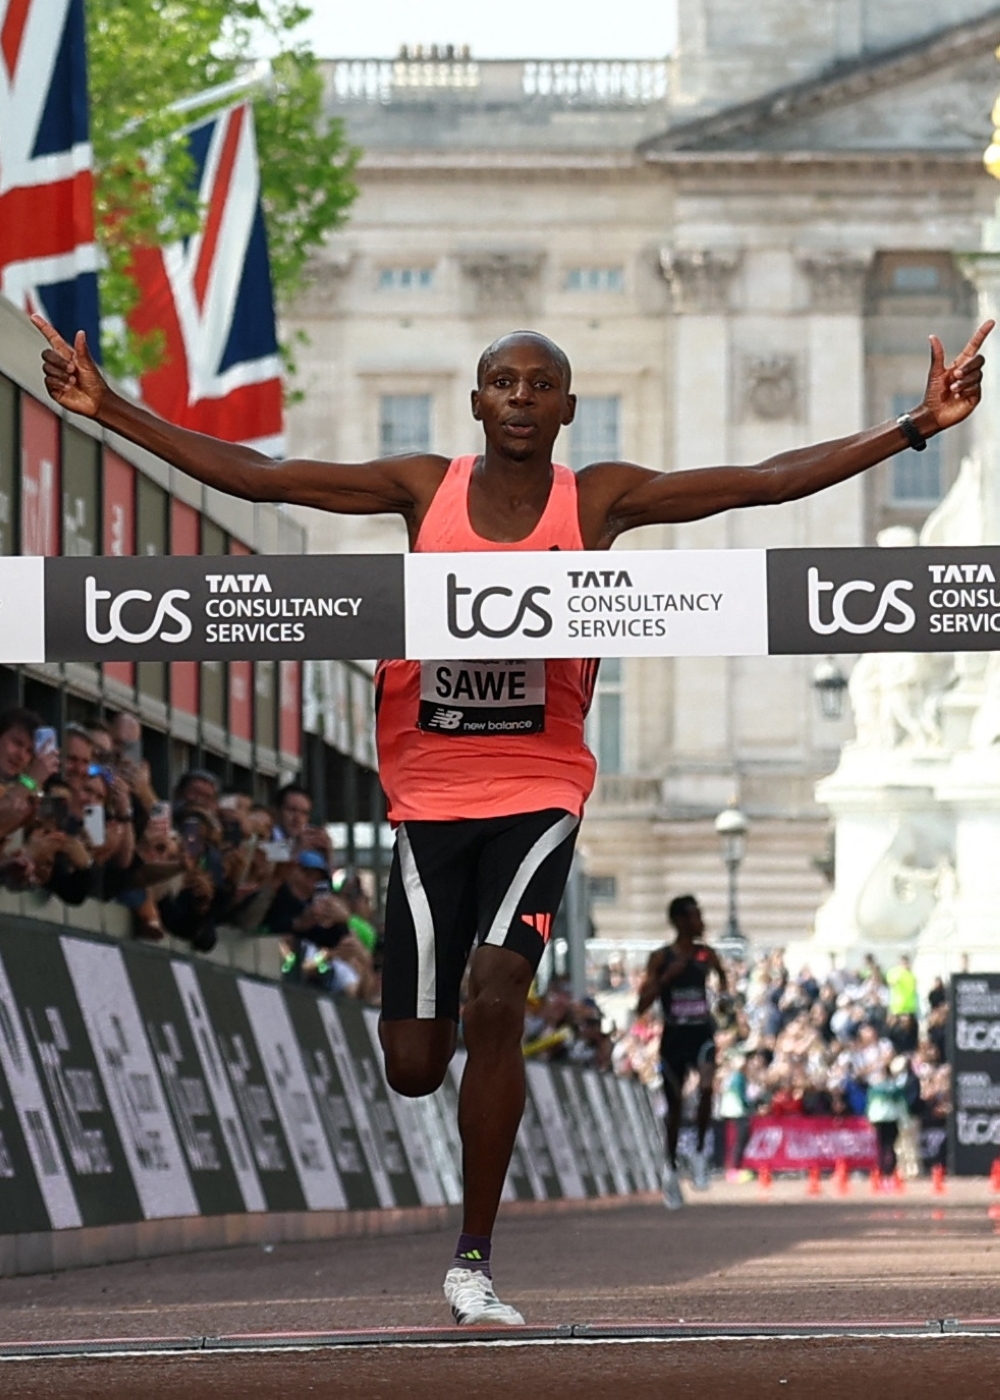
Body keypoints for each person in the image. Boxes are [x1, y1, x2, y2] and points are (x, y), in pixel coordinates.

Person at [31, 309, 990, 1325]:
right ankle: (439, 1064)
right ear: (478, 401)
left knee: (498, 996)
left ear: (569, 407)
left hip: (539, 786)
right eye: (505, 383)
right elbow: (265, 478)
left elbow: (758, 482)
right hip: (424, 793)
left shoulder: (600, 499)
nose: (523, 399)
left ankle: (472, 1256)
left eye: (542, 385)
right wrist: (111, 410)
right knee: (412, 1063)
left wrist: (913, 427)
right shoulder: (420, 488)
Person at [635, 895, 727, 1209]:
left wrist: (726, 1003)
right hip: (674, 1036)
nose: (700, 921)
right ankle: (670, 1170)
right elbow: (641, 1005)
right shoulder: (661, 957)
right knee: (674, 1111)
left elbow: (725, 989)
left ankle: (700, 1152)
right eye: (694, 916)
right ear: (679, 921)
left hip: (702, 1033)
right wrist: (665, 980)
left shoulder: (707, 955)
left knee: (706, 1090)